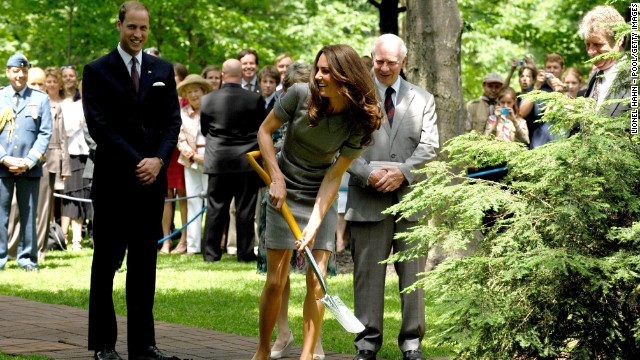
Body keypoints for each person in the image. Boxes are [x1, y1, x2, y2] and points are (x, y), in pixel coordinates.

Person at [252, 43, 383, 360]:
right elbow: (265, 132)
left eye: (326, 71)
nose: (319, 76)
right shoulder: (299, 94)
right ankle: (262, 350)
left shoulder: (359, 122)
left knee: (317, 282)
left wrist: (313, 224)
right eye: (318, 69)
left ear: (345, 76)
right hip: (283, 190)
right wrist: (277, 177)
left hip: (319, 194)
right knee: (275, 281)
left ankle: (307, 355)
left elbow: (334, 176)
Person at [82, 2, 182, 359]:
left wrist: (158, 161)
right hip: (113, 182)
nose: (138, 34)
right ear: (119, 26)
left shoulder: (162, 69)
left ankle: (144, 346)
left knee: (144, 265)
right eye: (132, 27)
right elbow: (100, 126)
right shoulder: (97, 71)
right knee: (106, 264)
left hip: (150, 183)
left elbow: (173, 122)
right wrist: (137, 160)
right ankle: (104, 346)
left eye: (143, 28)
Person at [345, 33, 439, 360]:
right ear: (371, 58)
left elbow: (430, 147)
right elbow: (341, 147)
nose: (384, 68)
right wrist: (366, 173)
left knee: (413, 277)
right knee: (367, 276)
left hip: (411, 199)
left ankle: (412, 344)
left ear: (404, 61)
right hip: (366, 197)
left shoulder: (423, 99)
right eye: (379, 61)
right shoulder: (353, 97)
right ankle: (366, 345)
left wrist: (403, 173)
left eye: (391, 62)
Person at [201, 58, 266, 263]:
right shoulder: (254, 99)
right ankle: (245, 253)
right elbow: (260, 128)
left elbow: (205, 130)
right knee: (245, 209)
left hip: (218, 160)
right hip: (246, 161)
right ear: (241, 75)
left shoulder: (208, 100)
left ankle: (211, 253)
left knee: (215, 208)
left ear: (222, 74)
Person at [8, 66, 71, 262]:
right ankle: (10, 250)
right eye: (34, 83)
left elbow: (62, 138)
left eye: (41, 84)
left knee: (43, 210)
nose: (38, 87)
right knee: (15, 206)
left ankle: (40, 251)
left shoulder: (54, 106)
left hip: (48, 162)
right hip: (19, 161)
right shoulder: (17, 102)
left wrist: (65, 167)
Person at [0, 53, 52, 272]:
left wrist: (28, 161)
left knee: (29, 213)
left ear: (27, 71)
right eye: (15, 70)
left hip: (29, 167)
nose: (20, 74)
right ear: (8, 72)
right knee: (0, 214)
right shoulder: (0, 97)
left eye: (23, 70)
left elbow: (45, 133)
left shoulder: (40, 99)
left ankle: (28, 258)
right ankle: (1, 257)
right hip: (2, 166)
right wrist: (4, 158)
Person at [175, 74, 213, 255]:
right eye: (189, 92)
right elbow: (179, 139)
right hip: (190, 163)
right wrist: (193, 155)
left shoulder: (213, 110)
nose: (193, 95)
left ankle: (212, 245)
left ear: (204, 91)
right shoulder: (182, 114)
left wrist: (208, 157)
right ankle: (193, 246)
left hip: (212, 162)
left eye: (196, 90)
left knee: (212, 204)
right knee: (193, 202)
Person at [578, 5, 628, 117]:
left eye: (597, 44)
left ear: (619, 40)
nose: (590, 52)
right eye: (587, 44)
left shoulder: (634, 78)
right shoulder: (593, 78)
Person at [60, 81, 92, 251]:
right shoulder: (71, 107)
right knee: (74, 196)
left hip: (94, 155)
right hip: (74, 155)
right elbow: (65, 131)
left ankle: (94, 237)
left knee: (91, 196)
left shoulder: (101, 106)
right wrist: (79, 123)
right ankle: (75, 240)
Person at [519, 52, 566, 149]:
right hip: (537, 147)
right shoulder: (537, 89)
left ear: (562, 69)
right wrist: (536, 87)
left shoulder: (568, 87)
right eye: (549, 67)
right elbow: (522, 112)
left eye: (555, 67)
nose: (552, 70)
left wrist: (560, 91)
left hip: (560, 147)